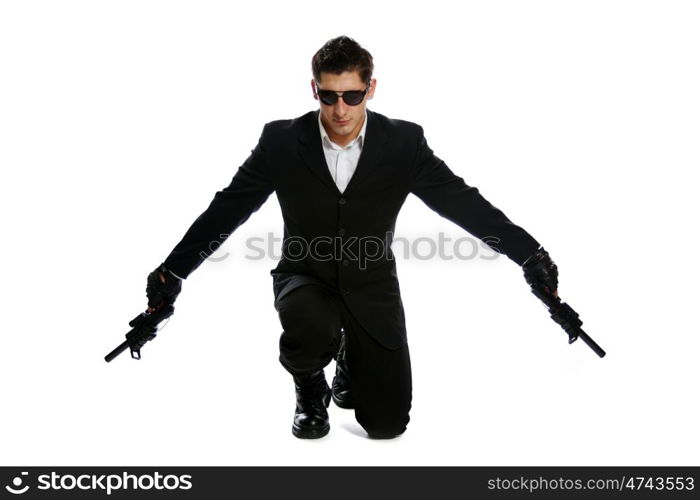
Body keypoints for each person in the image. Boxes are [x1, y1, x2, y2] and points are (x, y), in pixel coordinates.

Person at [144, 35, 560, 440]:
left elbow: (463, 203)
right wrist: (173, 272)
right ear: (315, 89)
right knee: (310, 325)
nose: (340, 109)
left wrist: (530, 255)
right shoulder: (281, 142)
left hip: (372, 288)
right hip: (305, 279)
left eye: (352, 96)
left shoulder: (404, 143)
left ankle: (350, 356)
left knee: (387, 425)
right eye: (329, 96)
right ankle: (310, 386)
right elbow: (228, 208)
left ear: (371, 88)